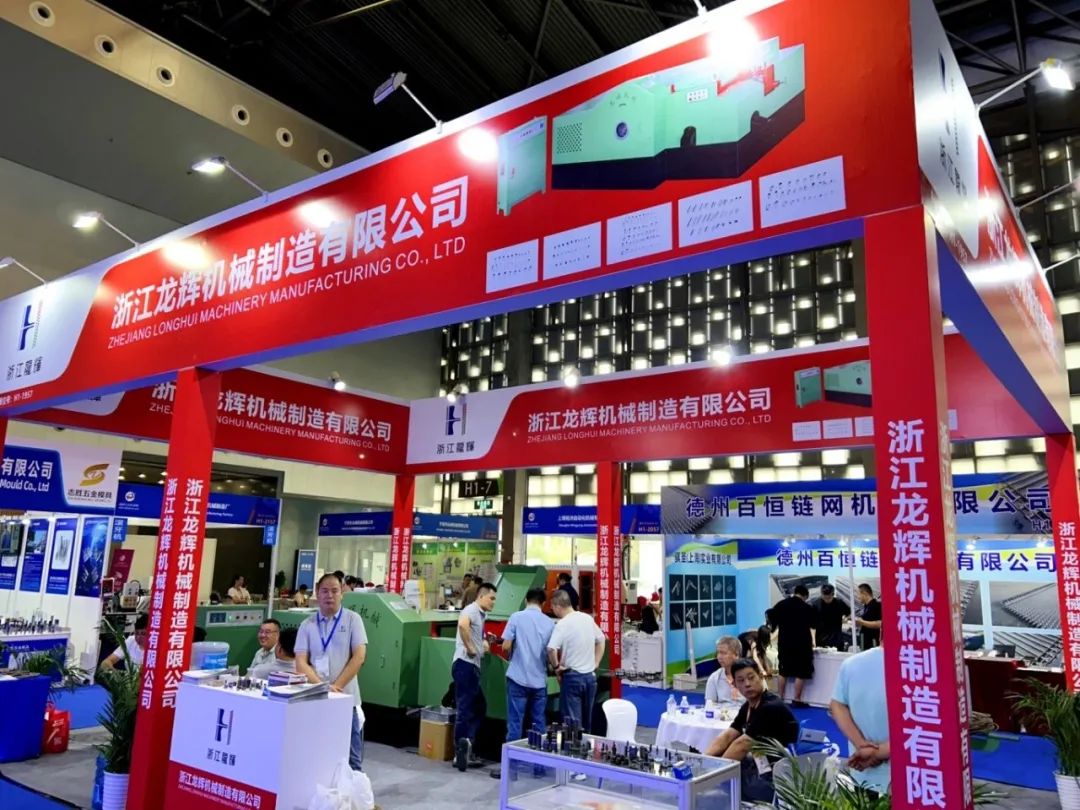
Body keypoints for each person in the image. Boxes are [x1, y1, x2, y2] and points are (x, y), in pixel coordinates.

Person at [296, 573, 368, 771]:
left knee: (352, 760)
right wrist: (323, 687)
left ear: (342, 593)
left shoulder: (353, 620)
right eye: (325, 591)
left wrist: (336, 687)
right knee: (317, 756)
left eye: (335, 591)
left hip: (346, 700)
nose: (330, 595)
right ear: (317, 593)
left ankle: (354, 790)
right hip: (316, 698)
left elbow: (359, 657)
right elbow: (300, 662)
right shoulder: (307, 625)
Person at [704, 658, 799, 803]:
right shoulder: (748, 706)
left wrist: (712, 777)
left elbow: (741, 745)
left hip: (777, 778)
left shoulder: (770, 707)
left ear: (760, 677)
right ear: (734, 685)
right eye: (741, 680)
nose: (747, 684)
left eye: (751, 677)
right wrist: (702, 762)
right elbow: (728, 736)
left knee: (716, 789)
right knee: (720, 764)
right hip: (760, 764)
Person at [830, 644, 889, 794]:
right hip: (911, 776)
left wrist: (861, 745)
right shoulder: (924, 668)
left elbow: (837, 704)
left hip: (861, 768)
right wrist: (878, 752)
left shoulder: (851, 664)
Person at [453, 581, 498, 771]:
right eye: (491, 598)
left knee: (478, 707)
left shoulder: (480, 615)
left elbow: (473, 634)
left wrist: (484, 642)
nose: (493, 602)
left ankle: (467, 747)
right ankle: (460, 754)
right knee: (464, 710)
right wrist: (471, 648)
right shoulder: (471, 610)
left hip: (471, 667)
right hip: (465, 665)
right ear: (481, 596)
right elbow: (462, 625)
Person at [501, 588, 554, 749]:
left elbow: (506, 645)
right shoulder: (550, 623)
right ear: (543, 603)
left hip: (517, 678)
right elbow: (551, 651)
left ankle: (511, 762)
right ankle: (539, 761)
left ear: (526, 600)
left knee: (515, 723)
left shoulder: (516, 617)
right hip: (539, 681)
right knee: (538, 723)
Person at [547, 589, 605, 732]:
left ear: (557, 606)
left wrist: (556, 668)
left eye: (552, 607)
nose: (553, 610)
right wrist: (596, 662)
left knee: (572, 726)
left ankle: (574, 746)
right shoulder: (587, 618)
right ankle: (586, 745)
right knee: (587, 722)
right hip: (590, 678)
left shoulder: (562, 624)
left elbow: (551, 649)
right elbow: (601, 639)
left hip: (572, 679)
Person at [770, 584, 816, 707]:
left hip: (784, 642)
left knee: (783, 671)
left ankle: (780, 697)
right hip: (802, 644)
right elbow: (814, 624)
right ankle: (797, 699)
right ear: (805, 596)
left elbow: (771, 617)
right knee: (801, 672)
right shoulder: (807, 607)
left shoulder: (781, 604)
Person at [705, 636, 744, 704]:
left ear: (736, 655)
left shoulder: (749, 675)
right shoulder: (714, 678)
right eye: (718, 653)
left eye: (723, 653)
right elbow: (710, 704)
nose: (719, 657)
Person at [813, 583, 851, 649]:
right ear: (821, 594)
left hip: (837, 640)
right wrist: (813, 640)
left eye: (829, 598)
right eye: (824, 597)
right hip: (821, 640)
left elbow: (850, 613)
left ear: (833, 594)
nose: (826, 600)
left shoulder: (839, 603)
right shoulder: (816, 604)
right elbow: (812, 624)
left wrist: (846, 618)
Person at [855, 584, 882, 650]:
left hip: (873, 644)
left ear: (864, 593)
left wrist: (862, 622)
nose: (858, 597)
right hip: (865, 643)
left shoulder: (876, 605)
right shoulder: (866, 606)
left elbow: (880, 624)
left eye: (858, 594)